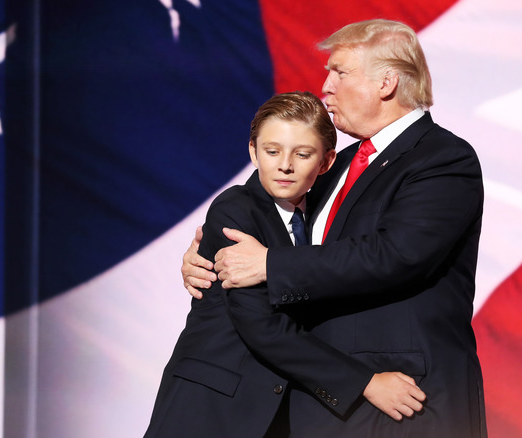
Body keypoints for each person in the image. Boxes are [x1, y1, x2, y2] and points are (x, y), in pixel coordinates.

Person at [183, 19, 487, 437]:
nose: (325, 86)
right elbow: (262, 203)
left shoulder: (441, 159)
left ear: (386, 82)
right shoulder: (335, 165)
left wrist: (271, 265)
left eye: (339, 72)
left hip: (406, 401)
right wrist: (208, 250)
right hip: (325, 403)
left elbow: (397, 254)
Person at [145, 91, 426, 438]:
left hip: (278, 413)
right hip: (209, 407)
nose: (285, 165)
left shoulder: (324, 217)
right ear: (253, 151)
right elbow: (260, 324)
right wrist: (365, 382)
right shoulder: (235, 210)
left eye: (303, 154)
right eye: (272, 151)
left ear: (325, 162)